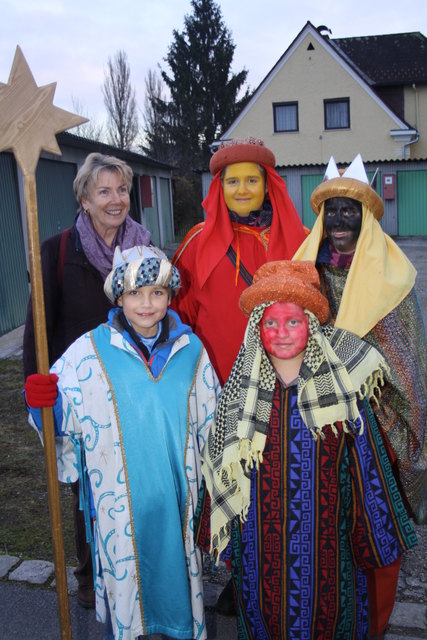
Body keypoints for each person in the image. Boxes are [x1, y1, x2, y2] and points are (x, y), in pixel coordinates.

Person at [199, 260, 418, 640]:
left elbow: (367, 473)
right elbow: (224, 472)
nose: (281, 333)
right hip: (258, 554)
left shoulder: (341, 393)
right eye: (270, 323)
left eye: (293, 322)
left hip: (328, 553)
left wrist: (372, 541)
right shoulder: (240, 399)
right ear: (257, 329)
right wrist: (227, 540)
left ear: (311, 326)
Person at [24, 246, 220, 640]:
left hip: (177, 497)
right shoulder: (88, 353)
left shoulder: (192, 351)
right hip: (119, 505)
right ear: (118, 296)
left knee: (178, 580)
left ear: (170, 294)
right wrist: (46, 402)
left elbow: (213, 422)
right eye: (134, 293)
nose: (146, 304)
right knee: (130, 589)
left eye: (157, 292)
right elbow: (63, 414)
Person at [293, 154, 427, 637]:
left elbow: (407, 361)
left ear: (367, 216)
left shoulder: (393, 277)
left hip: (377, 427)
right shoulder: (304, 271)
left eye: (351, 210)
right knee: (324, 529)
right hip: (317, 425)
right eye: (332, 210)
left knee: (375, 530)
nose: (340, 220)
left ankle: (374, 625)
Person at [23, 152, 152, 608]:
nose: (115, 200)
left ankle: (137, 568)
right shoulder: (59, 251)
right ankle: (88, 573)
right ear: (84, 198)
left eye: (121, 190)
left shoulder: (144, 251)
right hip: (82, 397)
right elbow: (38, 329)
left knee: (133, 483)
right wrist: (35, 390)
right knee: (89, 489)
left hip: (135, 393)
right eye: (104, 191)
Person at [172, 136, 308, 387]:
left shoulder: (300, 238)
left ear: (267, 185)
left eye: (252, 180)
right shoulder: (197, 242)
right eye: (233, 181)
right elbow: (177, 315)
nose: (242, 189)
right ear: (220, 187)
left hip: (286, 384)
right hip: (216, 384)